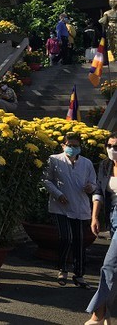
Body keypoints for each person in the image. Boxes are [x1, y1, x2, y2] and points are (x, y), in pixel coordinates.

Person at [43, 132, 96, 288]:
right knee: (66, 238)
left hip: (80, 206)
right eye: (70, 145)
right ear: (63, 146)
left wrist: (90, 187)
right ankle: (62, 269)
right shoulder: (54, 160)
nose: (73, 148)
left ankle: (79, 275)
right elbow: (46, 180)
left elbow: (93, 183)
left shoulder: (87, 163)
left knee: (79, 241)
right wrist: (58, 194)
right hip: (61, 206)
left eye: (76, 146)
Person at [86, 132, 117, 325]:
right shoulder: (105, 165)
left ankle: (98, 313)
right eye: (110, 145)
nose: (113, 150)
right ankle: (110, 314)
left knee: (109, 265)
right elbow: (98, 191)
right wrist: (94, 217)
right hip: (113, 217)